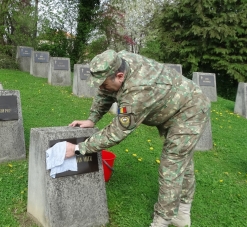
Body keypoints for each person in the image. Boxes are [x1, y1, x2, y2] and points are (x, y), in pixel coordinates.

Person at [66, 50, 210, 227]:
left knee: (173, 163)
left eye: (103, 84)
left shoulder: (138, 90)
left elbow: (118, 131)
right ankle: (181, 214)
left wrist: (78, 149)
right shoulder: (118, 61)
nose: (100, 88)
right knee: (182, 161)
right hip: (173, 104)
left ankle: (163, 220)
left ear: (120, 76)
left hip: (190, 109)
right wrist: (92, 119)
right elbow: (105, 93)